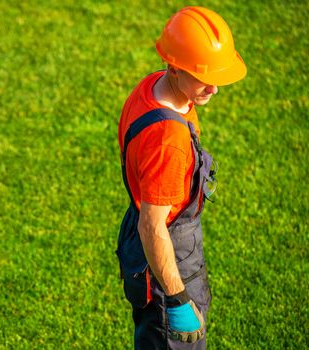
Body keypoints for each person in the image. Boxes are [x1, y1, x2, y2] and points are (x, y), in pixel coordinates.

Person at [116, 6, 246, 349]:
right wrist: (176, 299)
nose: (214, 89)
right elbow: (152, 227)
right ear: (174, 68)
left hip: (153, 236)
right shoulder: (168, 143)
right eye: (205, 77)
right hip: (165, 260)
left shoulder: (151, 87)